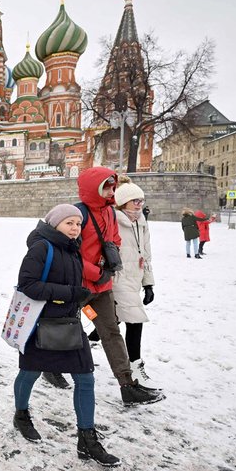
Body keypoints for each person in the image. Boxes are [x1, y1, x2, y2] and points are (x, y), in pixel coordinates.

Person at [11, 205, 120, 467]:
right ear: (54, 223)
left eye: (78, 224)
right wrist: (70, 293)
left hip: (70, 323)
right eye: (69, 223)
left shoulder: (73, 250)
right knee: (30, 373)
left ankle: (87, 438)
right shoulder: (41, 248)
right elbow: (28, 285)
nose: (74, 228)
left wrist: (84, 298)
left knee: (85, 378)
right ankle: (21, 414)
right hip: (41, 325)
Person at [76, 167, 162, 406]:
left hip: (103, 286)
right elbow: (72, 254)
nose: (112, 191)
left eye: (114, 187)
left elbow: (115, 241)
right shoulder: (78, 213)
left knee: (111, 332)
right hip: (78, 287)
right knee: (69, 328)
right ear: (94, 187)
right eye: (107, 186)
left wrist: (110, 267)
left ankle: (128, 385)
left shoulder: (112, 215)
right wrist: (97, 271)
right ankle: (48, 366)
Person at [113, 179, 159, 389]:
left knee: (110, 324)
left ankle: (85, 341)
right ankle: (134, 365)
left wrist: (148, 284)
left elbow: (146, 255)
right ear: (123, 202)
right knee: (135, 319)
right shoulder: (113, 220)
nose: (139, 204)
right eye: (134, 200)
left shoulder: (141, 221)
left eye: (141, 200)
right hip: (117, 279)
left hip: (135, 279)